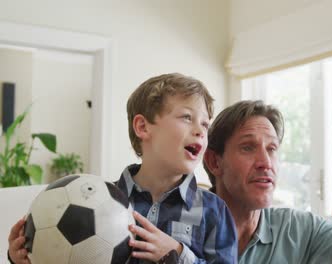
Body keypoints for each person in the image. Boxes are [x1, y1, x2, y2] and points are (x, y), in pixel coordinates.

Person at [8, 73, 238, 264]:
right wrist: (21, 257)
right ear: (142, 127)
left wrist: (177, 253)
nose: (200, 130)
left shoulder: (213, 210)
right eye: (187, 117)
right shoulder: (94, 199)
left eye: (205, 124)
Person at [203, 100, 332, 264]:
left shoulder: (298, 229)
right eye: (248, 147)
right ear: (214, 162)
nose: (265, 162)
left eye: (272, 149)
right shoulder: (180, 221)